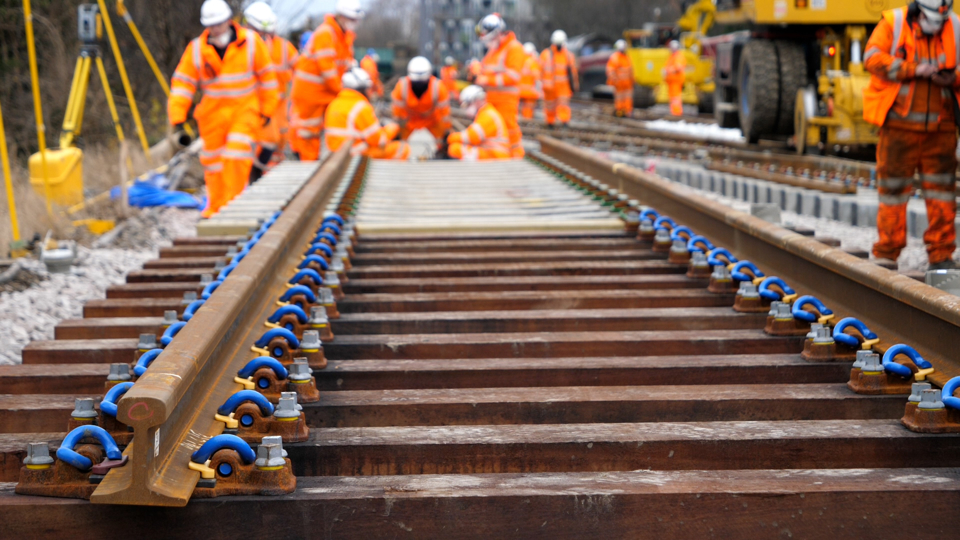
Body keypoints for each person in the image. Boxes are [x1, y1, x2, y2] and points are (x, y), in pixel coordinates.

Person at [863, 0, 960, 270]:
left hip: (941, 129)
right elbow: (871, 57)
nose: (937, 27)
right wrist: (912, 68)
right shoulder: (894, 24)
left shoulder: (955, 26)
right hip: (898, 128)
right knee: (892, 192)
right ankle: (887, 252)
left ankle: (941, 254)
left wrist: (952, 78)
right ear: (917, 12)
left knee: (942, 193)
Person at [169, 0, 279, 218]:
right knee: (213, 163)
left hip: (244, 110)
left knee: (237, 157)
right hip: (213, 115)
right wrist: (178, 117)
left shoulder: (251, 43)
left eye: (219, 24)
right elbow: (183, 84)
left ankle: (233, 206)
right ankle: (216, 208)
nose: (215, 29)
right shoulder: (198, 50)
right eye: (211, 25)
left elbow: (267, 78)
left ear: (229, 20)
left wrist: (267, 110)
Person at [291, 0, 363, 161]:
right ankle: (306, 165)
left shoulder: (345, 36)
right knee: (308, 133)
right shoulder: (326, 33)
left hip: (325, 92)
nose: (354, 23)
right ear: (341, 16)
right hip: (310, 93)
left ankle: (314, 162)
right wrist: (342, 92)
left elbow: (345, 65)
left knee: (325, 129)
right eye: (351, 19)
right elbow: (328, 71)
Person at [244, 1, 298, 180]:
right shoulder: (247, 44)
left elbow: (298, 67)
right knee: (263, 141)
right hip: (254, 103)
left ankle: (261, 173)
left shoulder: (280, 46)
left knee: (275, 140)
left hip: (275, 104)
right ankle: (255, 174)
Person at [324, 67, 410, 160]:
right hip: (356, 154)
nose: (369, 92)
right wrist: (392, 129)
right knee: (402, 148)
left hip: (336, 155)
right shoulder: (361, 107)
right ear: (361, 89)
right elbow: (378, 140)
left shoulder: (333, 104)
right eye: (367, 89)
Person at [475, 14, 527, 157]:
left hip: (506, 99)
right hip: (491, 98)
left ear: (498, 34)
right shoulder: (494, 50)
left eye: (489, 38)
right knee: (494, 131)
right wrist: (476, 71)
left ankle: (516, 156)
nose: (488, 43)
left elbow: (513, 76)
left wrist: (485, 80)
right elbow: (485, 68)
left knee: (509, 130)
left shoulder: (514, 48)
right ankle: (501, 156)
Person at [391, 56, 452, 143]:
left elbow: (445, 114)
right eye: (416, 83)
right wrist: (396, 131)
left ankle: (439, 151)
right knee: (402, 146)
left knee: (441, 142)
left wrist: (447, 131)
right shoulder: (402, 86)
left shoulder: (438, 87)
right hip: (409, 122)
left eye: (422, 82)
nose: (419, 85)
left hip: (432, 121)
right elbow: (396, 114)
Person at [447, 85, 511, 161]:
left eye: (468, 105)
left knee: (454, 149)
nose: (467, 109)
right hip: (493, 154)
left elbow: (472, 136)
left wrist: (450, 138)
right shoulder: (485, 113)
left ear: (476, 100)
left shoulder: (487, 115)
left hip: (496, 156)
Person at [540, 29, 579, 127]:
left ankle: (564, 121)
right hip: (550, 87)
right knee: (550, 106)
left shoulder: (568, 56)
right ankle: (550, 122)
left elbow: (573, 72)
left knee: (563, 105)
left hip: (563, 86)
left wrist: (574, 85)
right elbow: (539, 70)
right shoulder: (546, 54)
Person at [606, 39, 634, 117]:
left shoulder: (626, 57)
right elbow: (611, 70)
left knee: (627, 98)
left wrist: (632, 80)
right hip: (620, 84)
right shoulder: (615, 57)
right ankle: (620, 112)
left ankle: (627, 112)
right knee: (620, 98)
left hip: (627, 84)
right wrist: (614, 80)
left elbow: (630, 70)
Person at [519, 42, 542, 120]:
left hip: (520, 90)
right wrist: (539, 91)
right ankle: (527, 121)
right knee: (529, 108)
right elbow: (537, 77)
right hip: (530, 91)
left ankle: (524, 121)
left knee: (523, 107)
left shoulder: (520, 61)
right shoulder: (533, 62)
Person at [664, 40, 686, 117]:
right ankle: (674, 112)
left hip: (676, 81)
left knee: (675, 98)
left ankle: (676, 113)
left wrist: (668, 71)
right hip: (672, 81)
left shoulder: (678, 56)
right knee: (673, 98)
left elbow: (678, 67)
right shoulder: (672, 56)